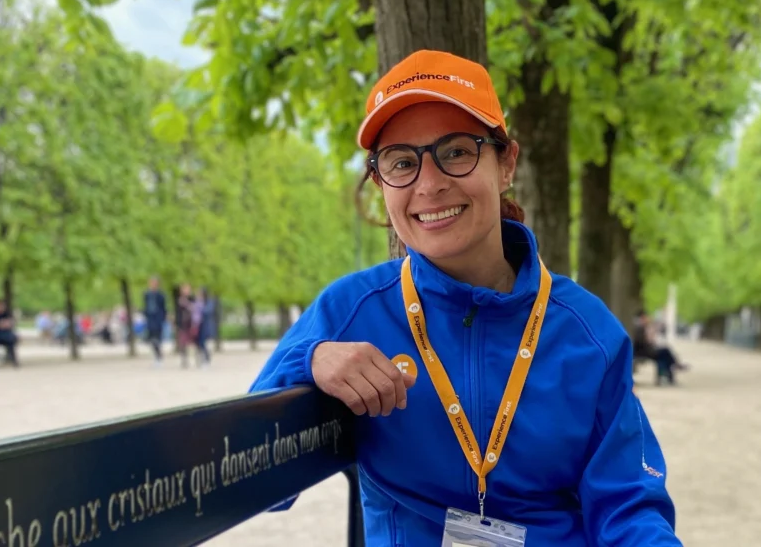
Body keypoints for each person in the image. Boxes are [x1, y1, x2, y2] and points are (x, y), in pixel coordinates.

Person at [251, 50, 678, 546]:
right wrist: (310, 360)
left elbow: (629, 509)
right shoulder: (351, 311)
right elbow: (258, 481)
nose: (429, 184)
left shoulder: (588, 332)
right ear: (380, 183)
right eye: (402, 162)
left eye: (456, 151)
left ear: (506, 164)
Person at [634, 310, 688, 386]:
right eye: (646, 317)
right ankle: (675, 365)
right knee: (665, 351)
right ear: (642, 318)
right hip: (644, 351)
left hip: (646, 350)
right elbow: (642, 342)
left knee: (664, 355)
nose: (648, 319)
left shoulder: (642, 327)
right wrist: (650, 340)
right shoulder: (640, 327)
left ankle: (672, 372)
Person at [142, 276, 167, 366]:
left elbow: (164, 308)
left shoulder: (161, 295)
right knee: (151, 339)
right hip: (150, 319)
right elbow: (145, 306)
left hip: (158, 319)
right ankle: (158, 355)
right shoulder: (147, 294)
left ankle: (159, 357)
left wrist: (163, 318)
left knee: (157, 339)